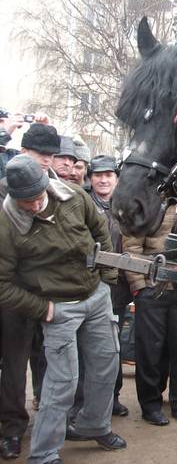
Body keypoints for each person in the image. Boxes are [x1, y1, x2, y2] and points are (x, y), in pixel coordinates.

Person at [0, 155, 126, 464]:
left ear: (46, 185)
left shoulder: (75, 196)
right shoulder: (6, 225)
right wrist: (43, 309)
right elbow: (2, 284)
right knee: (61, 382)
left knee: (106, 365)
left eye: (36, 197)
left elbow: (102, 232)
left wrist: (107, 279)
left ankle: (94, 425)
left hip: (96, 296)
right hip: (58, 307)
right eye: (24, 201)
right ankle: (44, 453)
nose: (32, 205)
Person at [0, 124, 60, 460]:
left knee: (49, 361)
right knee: (14, 363)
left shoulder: (60, 191)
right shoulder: (2, 195)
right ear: (23, 153)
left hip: (53, 290)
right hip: (15, 295)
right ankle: (12, 428)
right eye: (41, 156)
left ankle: (47, 421)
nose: (47, 162)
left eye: (51, 156)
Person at [123, 205, 177, 426]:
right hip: (151, 287)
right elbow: (131, 247)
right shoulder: (146, 204)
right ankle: (150, 404)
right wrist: (139, 286)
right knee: (150, 349)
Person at [71, 156, 130, 419]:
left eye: (109, 175)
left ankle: (112, 398)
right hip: (88, 287)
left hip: (118, 289)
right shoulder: (81, 204)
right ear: (89, 178)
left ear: (117, 179)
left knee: (113, 347)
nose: (103, 180)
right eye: (98, 175)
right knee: (86, 350)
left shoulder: (127, 206)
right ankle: (80, 401)